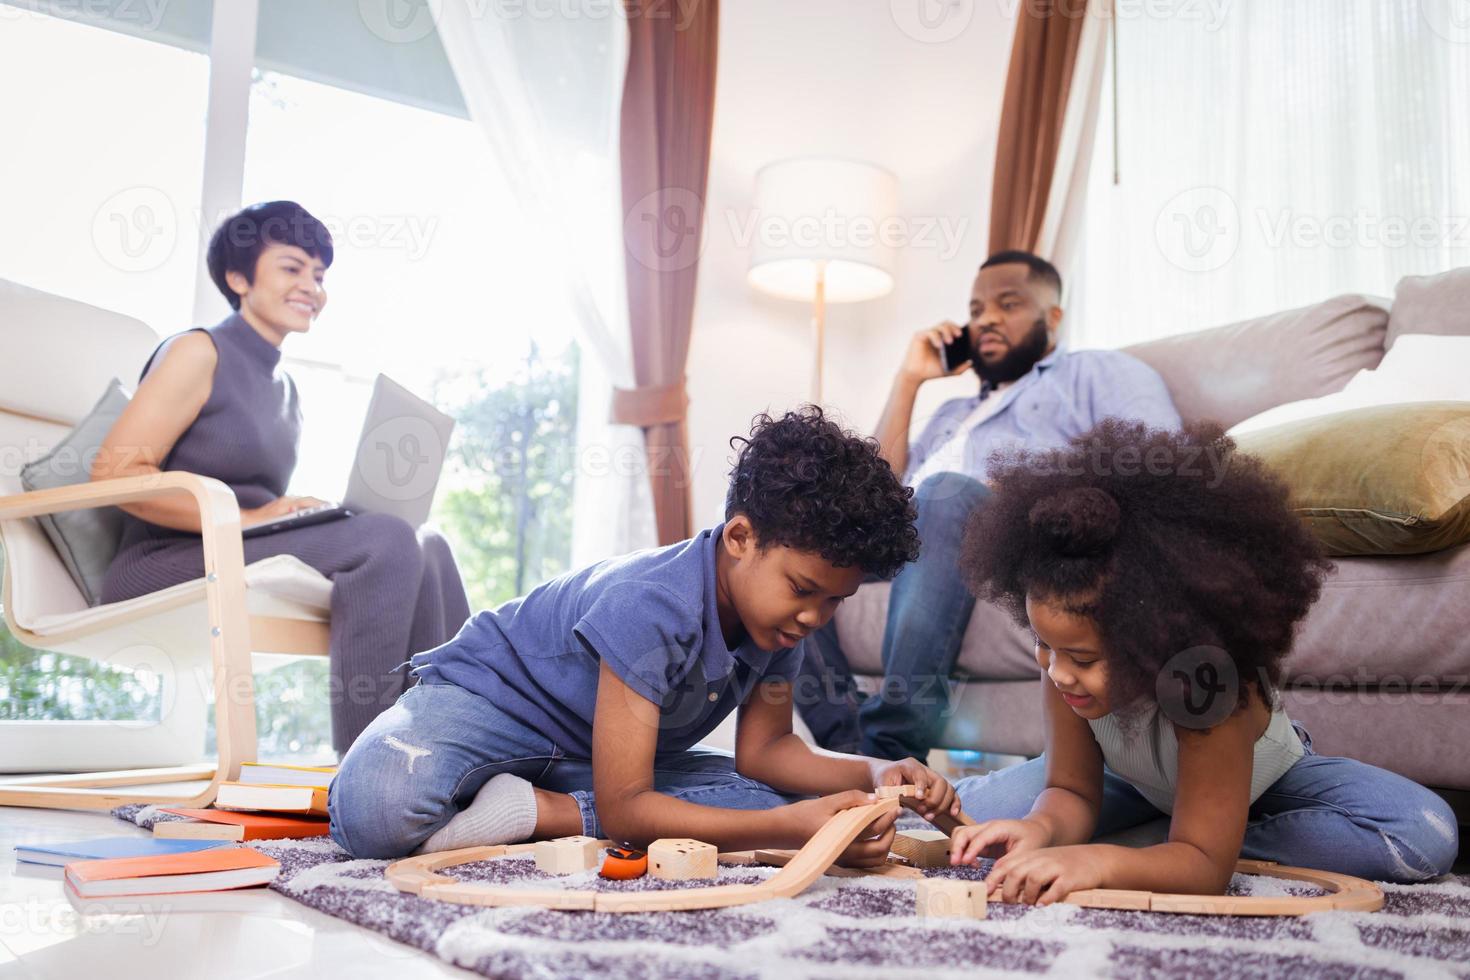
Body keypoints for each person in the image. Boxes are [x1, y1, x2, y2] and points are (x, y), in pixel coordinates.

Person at [328, 407, 961, 861]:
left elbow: (767, 753)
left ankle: (542, 808)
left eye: (834, 601)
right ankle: (544, 801)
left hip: (594, 756)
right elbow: (629, 809)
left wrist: (877, 771)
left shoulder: (779, 627)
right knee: (376, 814)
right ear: (739, 538)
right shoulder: (652, 603)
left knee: (768, 794)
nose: (814, 618)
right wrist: (788, 827)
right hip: (487, 705)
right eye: (803, 590)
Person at [947, 420, 1459, 901]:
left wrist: (1100, 863)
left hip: (1267, 788)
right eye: (1044, 646)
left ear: (1157, 639)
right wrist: (1039, 829)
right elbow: (1069, 791)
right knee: (976, 821)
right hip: (1134, 787)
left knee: (1420, 832)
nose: (1057, 670)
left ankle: (1164, 843)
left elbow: (1206, 873)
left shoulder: (1207, 685)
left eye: (1080, 657)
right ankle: (1165, 838)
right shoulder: (1063, 665)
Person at [94, 201, 471, 755]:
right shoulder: (200, 351)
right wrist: (247, 516)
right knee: (388, 540)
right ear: (238, 278)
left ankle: (446, 746)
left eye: (319, 275)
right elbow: (115, 474)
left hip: (237, 546)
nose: (312, 287)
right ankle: (370, 767)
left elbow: (258, 499)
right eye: (292, 268)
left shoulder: (286, 389)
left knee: (429, 544)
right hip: (162, 562)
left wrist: (297, 513)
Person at [796, 250, 1182, 761]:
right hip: (914, 535)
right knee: (790, 537)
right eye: (976, 310)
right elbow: (875, 492)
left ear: (1054, 318)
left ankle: (890, 749)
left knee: (945, 493)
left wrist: (1026, 489)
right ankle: (847, 752)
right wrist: (907, 381)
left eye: (1008, 304)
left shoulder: (1095, 373)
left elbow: (1160, 457)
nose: (987, 320)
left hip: (1008, 533)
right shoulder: (956, 411)